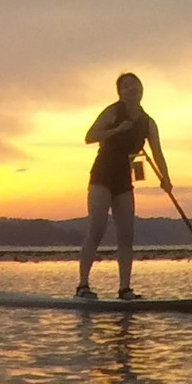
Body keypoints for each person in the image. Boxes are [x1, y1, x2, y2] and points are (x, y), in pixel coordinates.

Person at [76, 72, 171, 300]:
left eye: (135, 86)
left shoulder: (148, 122)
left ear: (141, 89)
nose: (132, 89)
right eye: (126, 87)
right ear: (120, 92)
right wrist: (117, 130)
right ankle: (82, 286)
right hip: (102, 175)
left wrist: (166, 179)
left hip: (124, 180)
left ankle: (125, 289)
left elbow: (157, 152)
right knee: (97, 229)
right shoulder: (113, 111)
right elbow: (90, 136)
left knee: (127, 235)